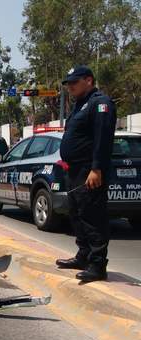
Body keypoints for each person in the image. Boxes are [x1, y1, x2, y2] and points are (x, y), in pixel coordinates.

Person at [56, 66, 116, 282]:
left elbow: (103, 139)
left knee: (93, 216)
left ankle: (98, 265)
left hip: (89, 170)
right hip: (74, 169)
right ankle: (83, 256)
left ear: (88, 80)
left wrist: (96, 168)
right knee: (77, 213)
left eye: (74, 82)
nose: (70, 86)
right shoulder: (81, 104)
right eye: (68, 83)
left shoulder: (100, 104)